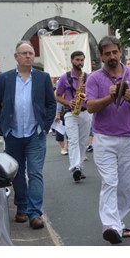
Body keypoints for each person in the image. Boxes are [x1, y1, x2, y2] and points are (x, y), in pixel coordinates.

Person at [84, 36, 130, 244]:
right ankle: (110, 226)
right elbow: (91, 107)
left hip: (129, 137)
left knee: (127, 185)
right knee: (110, 181)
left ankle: (118, 222)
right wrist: (110, 97)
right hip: (104, 138)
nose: (111, 56)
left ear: (121, 53)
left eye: (114, 52)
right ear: (101, 56)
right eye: (107, 53)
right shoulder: (94, 78)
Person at [0, 41, 57, 230]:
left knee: (35, 173)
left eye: (31, 53)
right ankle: (22, 207)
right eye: (24, 53)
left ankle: (35, 213)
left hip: (35, 133)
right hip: (13, 134)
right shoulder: (6, 79)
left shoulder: (43, 78)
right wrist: (2, 128)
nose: (28, 56)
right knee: (17, 173)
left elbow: (51, 104)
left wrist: (44, 126)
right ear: (16, 56)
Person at [55, 51, 92, 183]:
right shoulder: (64, 77)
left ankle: (80, 167)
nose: (80, 62)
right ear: (72, 61)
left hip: (85, 112)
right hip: (70, 113)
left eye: (82, 60)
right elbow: (57, 96)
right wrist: (67, 102)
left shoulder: (88, 77)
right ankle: (75, 167)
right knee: (74, 140)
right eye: (77, 60)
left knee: (83, 142)